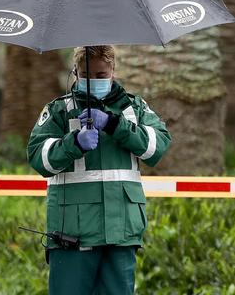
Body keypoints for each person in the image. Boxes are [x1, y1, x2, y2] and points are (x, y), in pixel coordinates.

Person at [27, 45, 171, 295]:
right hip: (72, 233)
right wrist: (74, 143)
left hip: (121, 231)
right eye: (86, 74)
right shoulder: (59, 110)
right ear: (76, 72)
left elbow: (156, 147)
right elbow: (38, 157)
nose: (94, 80)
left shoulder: (134, 108)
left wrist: (115, 125)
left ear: (113, 71)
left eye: (101, 75)